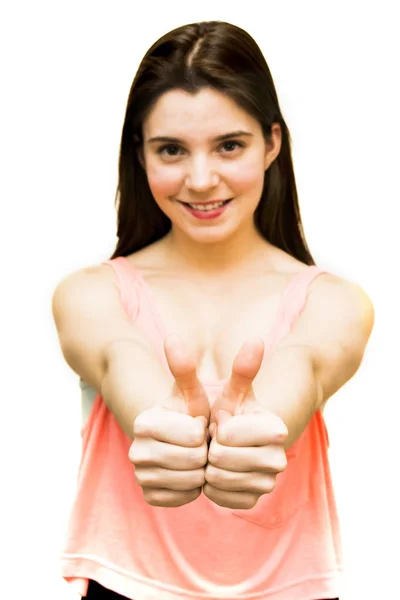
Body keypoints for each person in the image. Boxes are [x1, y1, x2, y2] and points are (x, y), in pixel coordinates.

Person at [52, 20, 374, 600]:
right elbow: (120, 355)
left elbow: (302, 364)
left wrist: (254, 434)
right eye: (171, 150)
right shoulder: (90, 294)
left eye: (230, 145)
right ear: (140, 154)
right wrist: (160, 424)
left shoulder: (334, 303)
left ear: (272, 143)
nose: (201, 180)